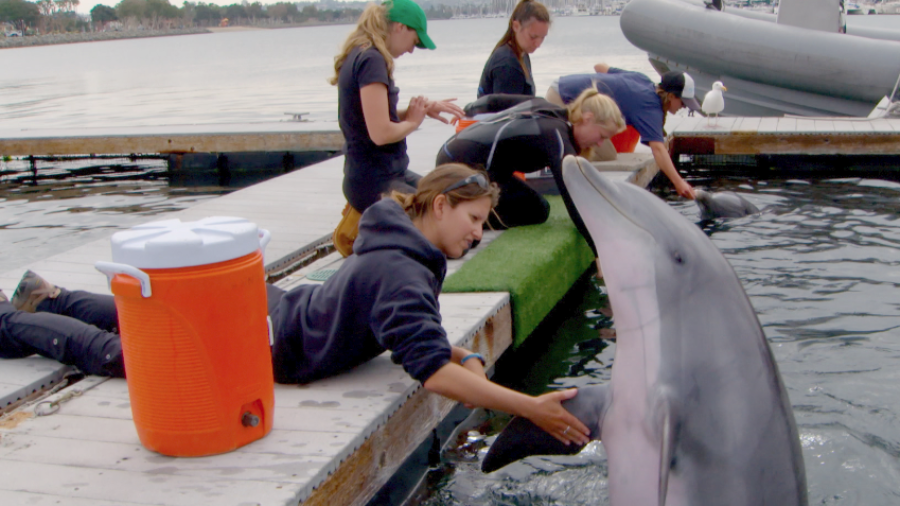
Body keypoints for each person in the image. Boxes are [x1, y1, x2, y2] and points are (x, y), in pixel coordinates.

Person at [0, 165, 591, 446]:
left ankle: (51, 295)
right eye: (472, 219)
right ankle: (15, 320)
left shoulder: (396, 245)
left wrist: (461, 353)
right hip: (272, 342)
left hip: (284, 309)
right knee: (133, 355)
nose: (478, 233)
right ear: (437, 205)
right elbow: (432, 374)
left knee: (158, 322)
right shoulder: (402, 270)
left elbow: (409, 337)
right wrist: (529, 407)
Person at [329, 0, 464, 255]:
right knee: (443, 233)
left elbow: (372, 116)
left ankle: (366, 221)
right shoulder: (371, 60)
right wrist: (413, 122)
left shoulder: (362, 53)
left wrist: (422, 110)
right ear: (400, 28)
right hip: (374, 180)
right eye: (415, 41)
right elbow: (380, 133)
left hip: (388, 173)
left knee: (448, 203)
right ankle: (362, 228)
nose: (412, 50)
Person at [436, 89, 626, 253]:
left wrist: (468, 108)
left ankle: (463, 209)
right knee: (535, 211)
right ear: (587, 119)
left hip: (462, 156)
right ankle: (461, 216)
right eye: (601, 136)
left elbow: (493, 101)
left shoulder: (546, 106)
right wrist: (598, 249)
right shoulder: (556, 136)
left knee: (537, 208)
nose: (600, 144)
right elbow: (572, 197)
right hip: (460, 166)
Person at [546, 64, 699, 199]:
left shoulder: (643, 80)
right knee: (604, 153)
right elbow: (658, 149)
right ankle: (563, 171)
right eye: (683, 103)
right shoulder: (651, 107)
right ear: (671, 96)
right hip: (562, 98)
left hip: (562, 85)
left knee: (604, 149)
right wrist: (679, 183)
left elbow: (600, 67)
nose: (683, 108)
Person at [477, 0, 551, 98]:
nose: (538, 44)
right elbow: (507, 112)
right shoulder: (507, 64)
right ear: (516, 26)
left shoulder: (521, 54)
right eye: (533, 37)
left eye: (542, 37)